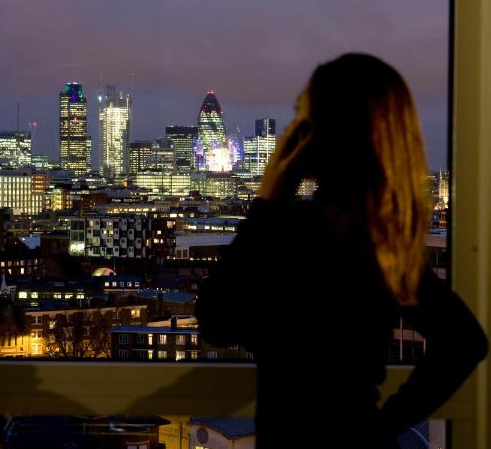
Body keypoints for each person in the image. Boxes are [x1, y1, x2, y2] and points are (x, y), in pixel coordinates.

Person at [195, 53, 488, 449]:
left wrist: (271, 196)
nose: (292, 131)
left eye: (304, 117)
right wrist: (382, 428)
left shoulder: (301, 229)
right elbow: (464, 341)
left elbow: (216, 320)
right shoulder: (379, 237)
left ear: (329, 132)